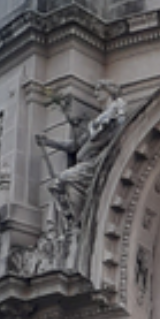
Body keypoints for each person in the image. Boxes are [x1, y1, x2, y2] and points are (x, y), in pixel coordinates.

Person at [36, 81, 127, 237]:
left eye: (99, 90)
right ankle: (75, 223)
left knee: (62, 180)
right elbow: (75, 146)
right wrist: (49, 142)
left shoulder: (115, 113)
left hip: (95, 164)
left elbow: (117, 138)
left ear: (109, 91)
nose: (96, 94)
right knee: (59, 186)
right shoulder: (98, 120)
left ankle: (79, 224)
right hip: (85, 164)